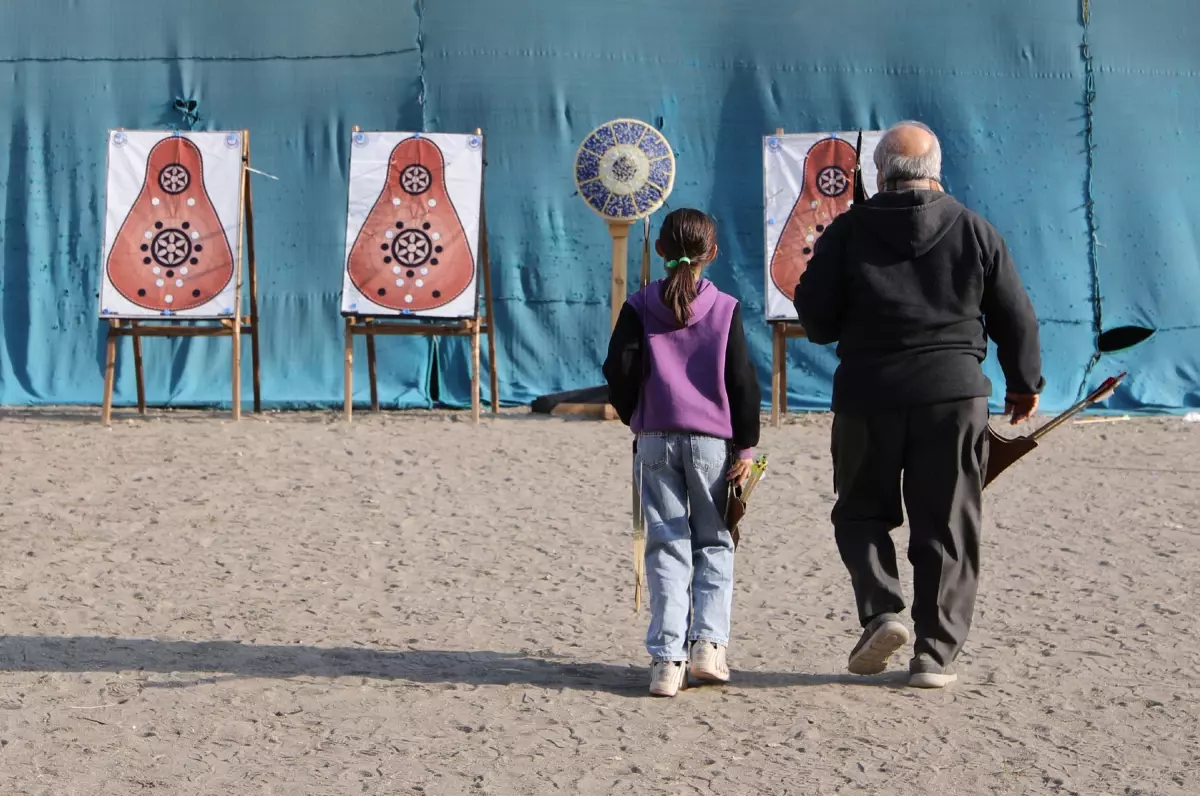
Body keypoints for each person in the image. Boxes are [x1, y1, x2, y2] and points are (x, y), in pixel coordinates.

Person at [794, 121, 1044, 688]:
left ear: (879, 175)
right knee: (948, 522)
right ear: (935, 170)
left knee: (859, 512)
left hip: (868, 394)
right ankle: (934, 653)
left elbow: (816, 319)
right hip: (953, 396)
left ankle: (883, 609)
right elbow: (1017, 316)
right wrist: (1023, 384)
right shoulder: (975, 229)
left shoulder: (848, 230)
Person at [603, 208, 761, 697]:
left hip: (655, 439)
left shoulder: (639, 304)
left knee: (666, 544)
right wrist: (748, 444)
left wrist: (637, 415)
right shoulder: (725, 307)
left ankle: (666, 661)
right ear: (711, 254)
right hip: (713, 443)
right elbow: (742, 382)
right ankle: (708, 648)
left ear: (661, 252)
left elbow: (618, 370)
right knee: (715, 541)